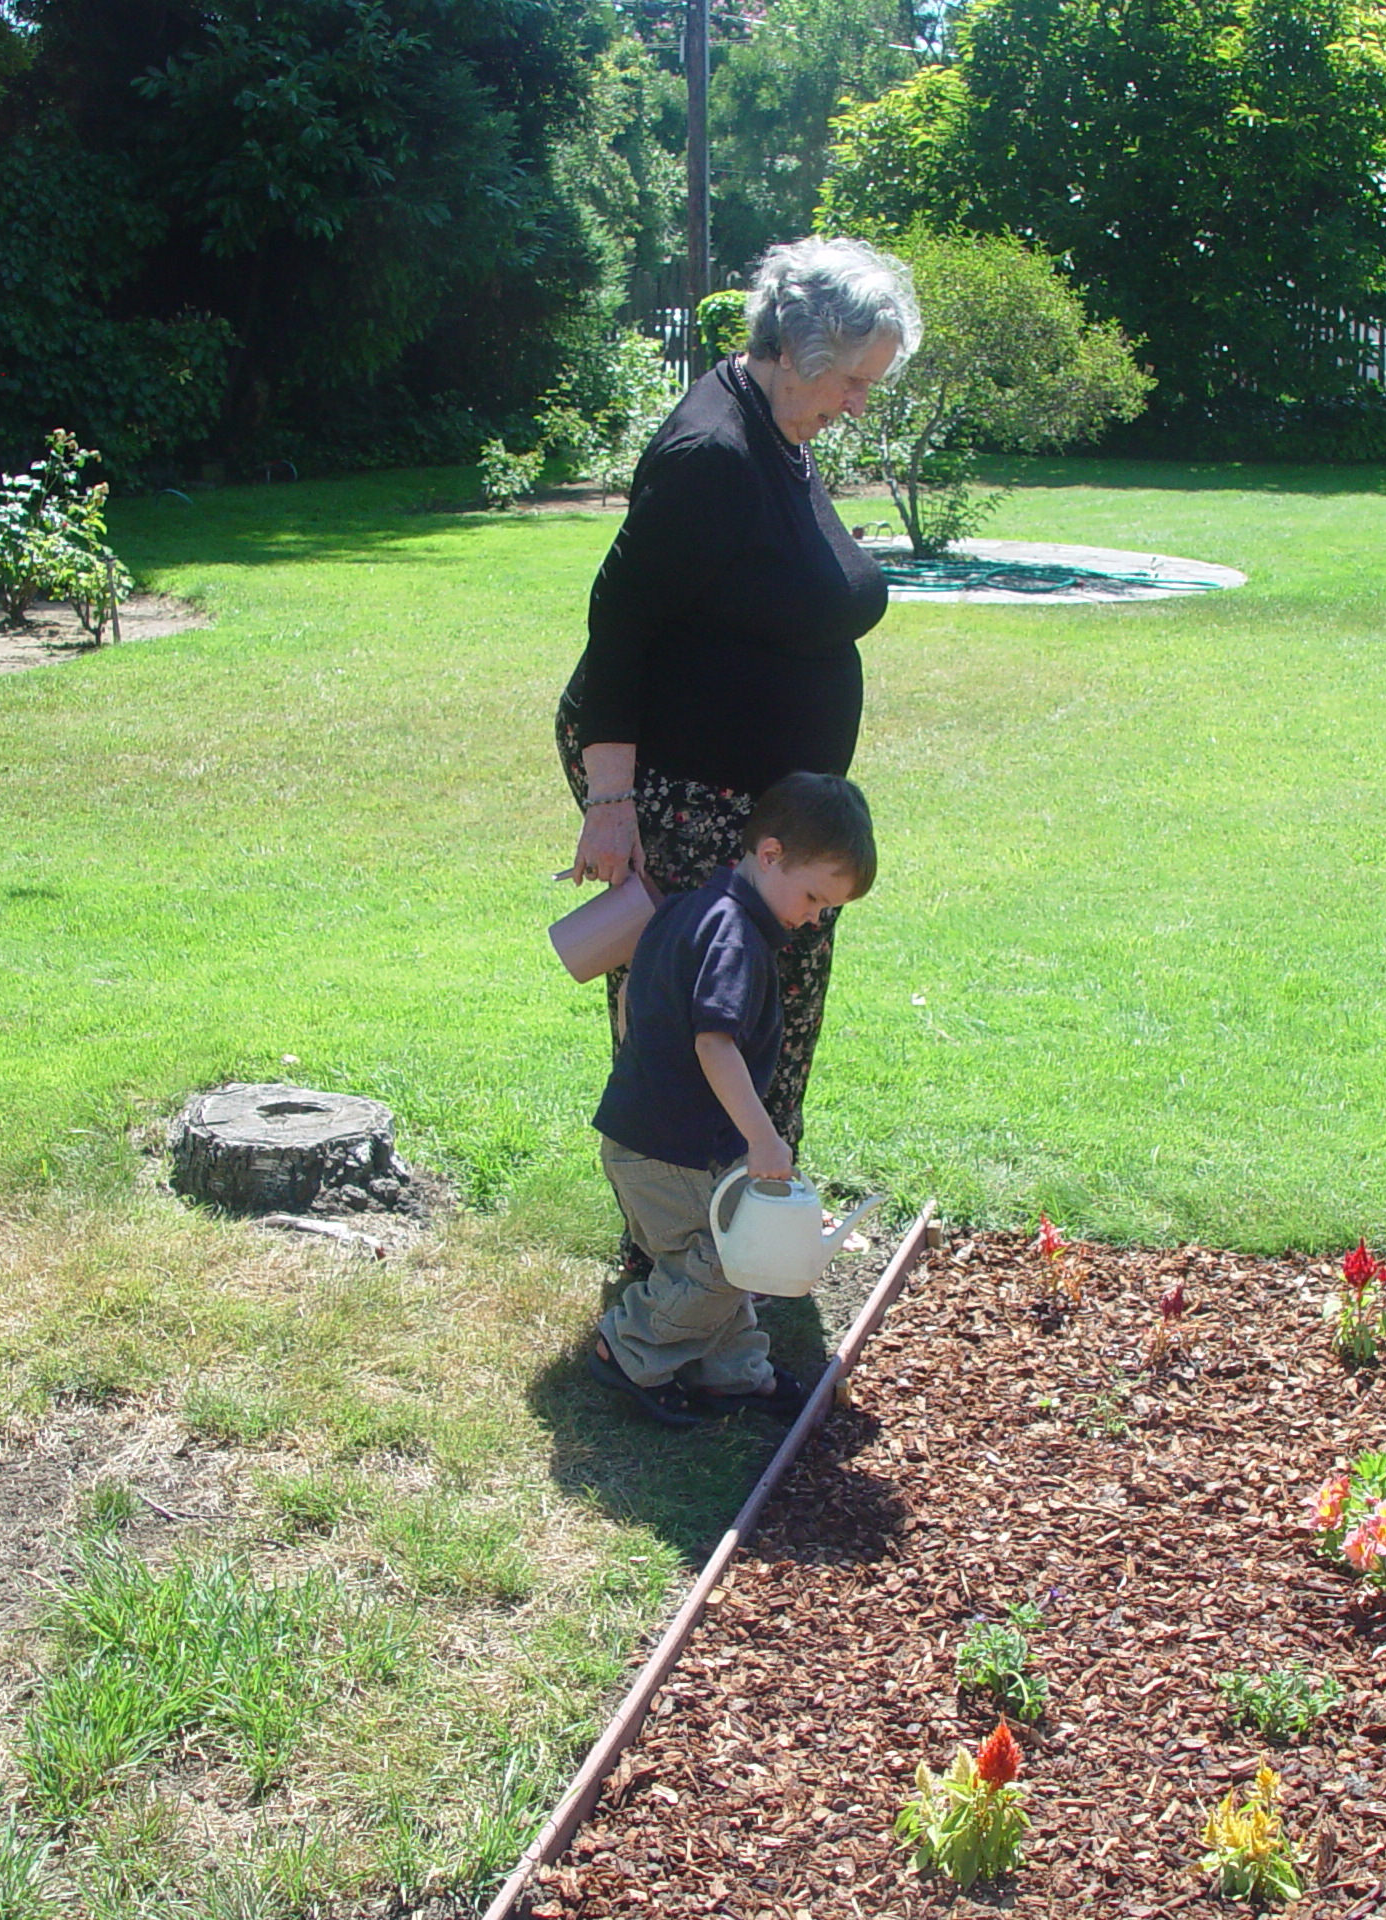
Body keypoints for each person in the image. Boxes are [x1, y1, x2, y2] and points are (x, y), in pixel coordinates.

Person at [558, 236, 919, 1161]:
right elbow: (618, 628)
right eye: (851, 381)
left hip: (761, 799)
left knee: (769, 1013)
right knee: (703, 1017)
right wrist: (610, 805)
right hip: (689, 785)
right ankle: (678, 1253)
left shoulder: (775, 428)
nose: (858, 403)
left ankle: (749, 1221)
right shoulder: (713, 453)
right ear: (802, 354)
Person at [587, 773, 877, 1428]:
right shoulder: (735, 938)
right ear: (769, 854)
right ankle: (630, 1347)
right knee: (727, 1259)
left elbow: (638, 1003)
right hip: (670, 1149)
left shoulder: (690, 909)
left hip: (653, 1137)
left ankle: (733, 1373)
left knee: (720, 1255)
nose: (813, 917)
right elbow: (715, 1045)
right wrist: (763, 1139)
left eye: (828, 908)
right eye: (812, 896)